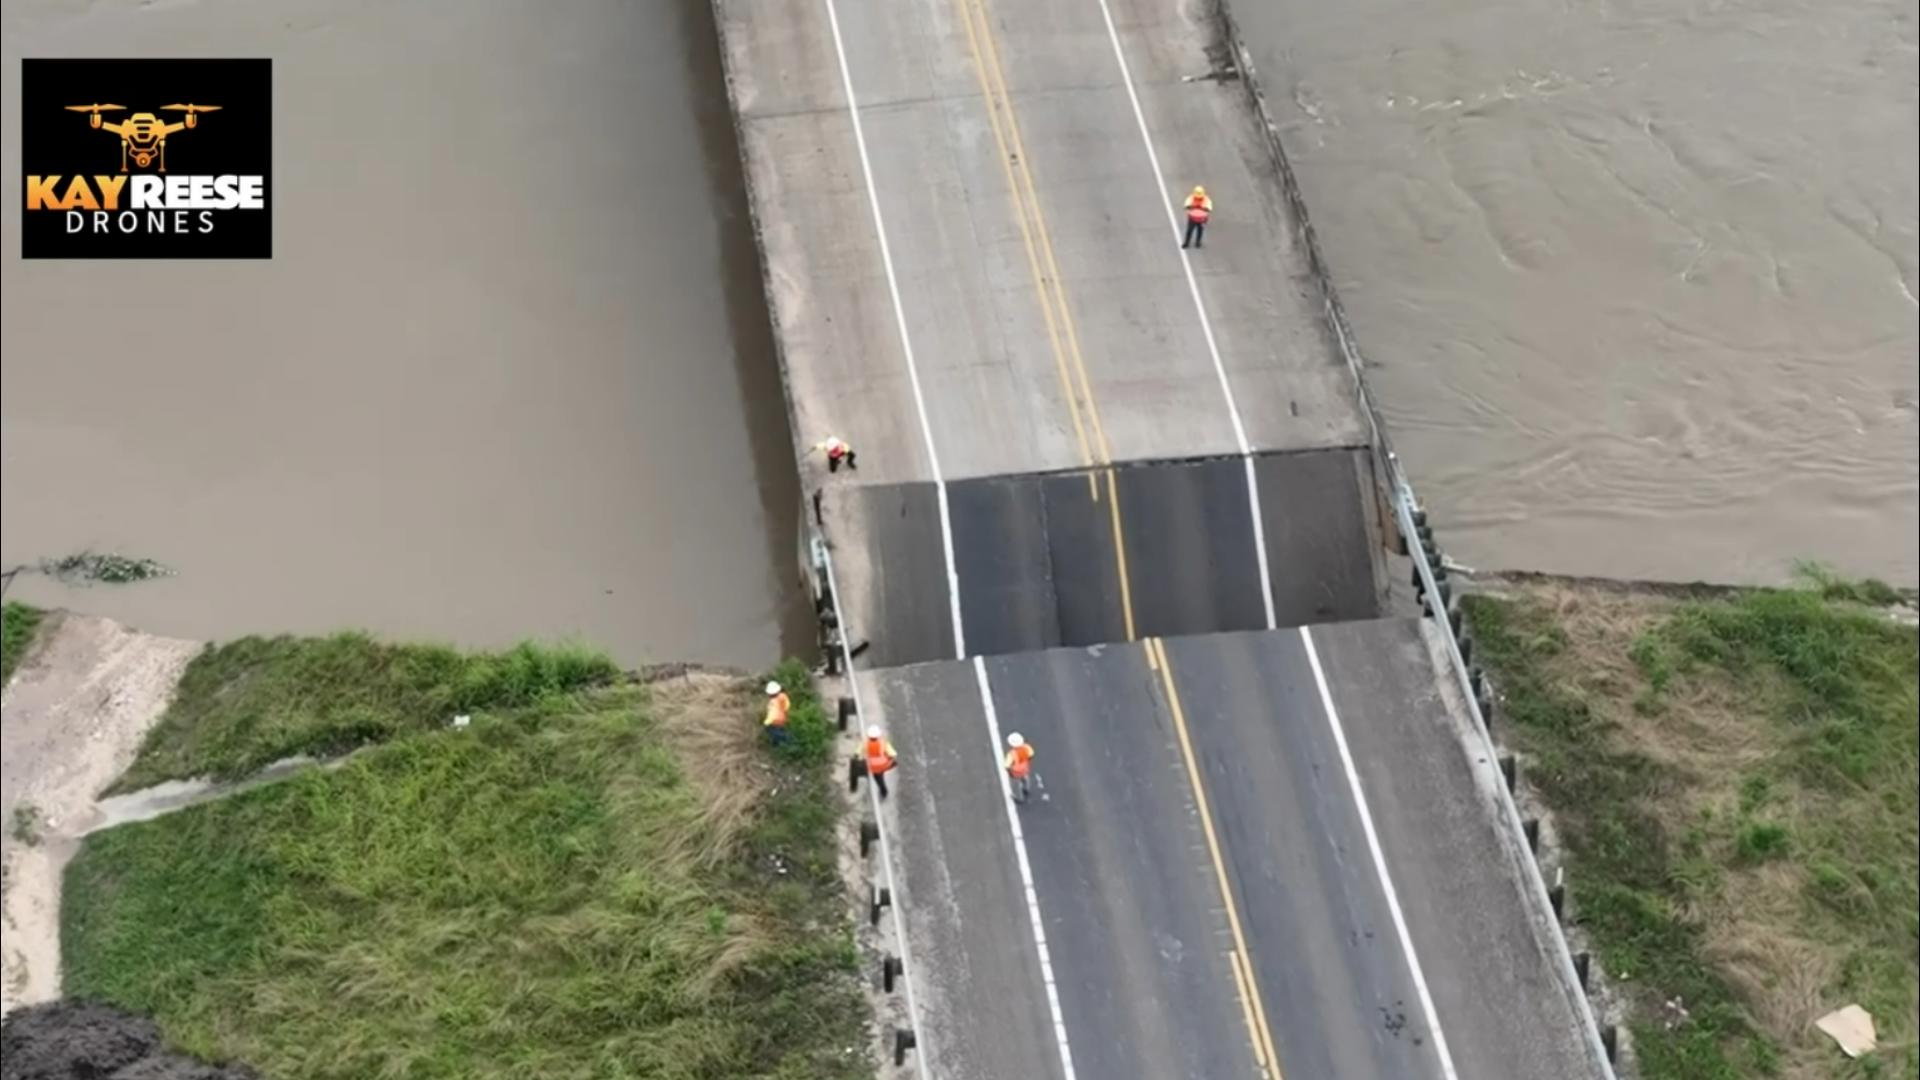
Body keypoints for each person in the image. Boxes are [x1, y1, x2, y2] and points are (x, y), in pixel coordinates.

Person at [863, 725, 898, 798]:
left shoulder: (866, 744)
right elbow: (893, 753)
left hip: (873, 766)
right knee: (881, 776)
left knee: (878, 778)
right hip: (884, 765)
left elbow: (859, 752)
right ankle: (883, 791)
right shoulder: (883, 743)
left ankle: (884, 791)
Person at [1004, 732, 1036, 803]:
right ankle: (1026, 789)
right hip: (1024, 769)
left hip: (1015, 773)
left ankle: (1019, 798)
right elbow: (1031, 755)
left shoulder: (1011, 754)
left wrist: (1010, 772)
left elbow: (1007, 766)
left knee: (1016, 785)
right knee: (1026, 779)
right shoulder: (1026, 748)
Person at [1181, 185, 1212, 250]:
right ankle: (1186, 242)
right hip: (1192, 217)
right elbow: (1187, 205)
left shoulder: (1206, 199)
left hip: (1202, 218)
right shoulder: (1191, 198)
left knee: (1200, 230)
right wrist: (1190, 208)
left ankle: (1198, 242)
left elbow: (1209, 208)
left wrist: (1204, 210)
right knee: (1189, 230)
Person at [763, 680, 791, 747]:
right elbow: (787, 705)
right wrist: (784, 711)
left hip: (775, 721)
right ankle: (776, 744)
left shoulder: (773, 703)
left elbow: (773, 714)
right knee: (779, 730)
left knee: (773, 732)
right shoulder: (783, 696)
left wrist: (766, 722)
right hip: (783, 718)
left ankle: (787, 740)